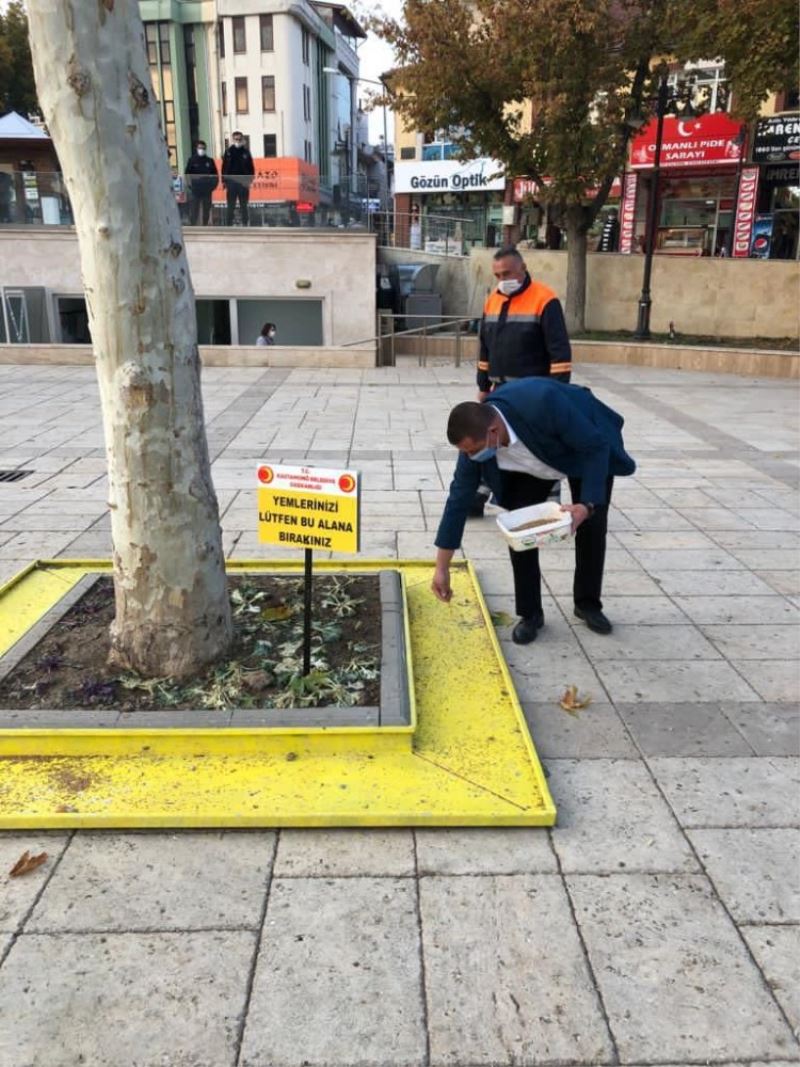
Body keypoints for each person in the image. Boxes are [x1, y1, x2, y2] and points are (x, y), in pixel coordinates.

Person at [431, 379, 636, 644]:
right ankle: (530, 614)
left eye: (473, 450)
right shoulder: (476, 442)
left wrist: (585, 505)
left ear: (493, 432)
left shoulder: (543, 403)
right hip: (532, 463)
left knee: (591, 525)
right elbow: (458, 501)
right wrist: (442, 567)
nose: (470, 457)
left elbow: (595, 447)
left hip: (584, 450)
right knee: (520, 532)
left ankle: (588, 604)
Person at [470, 245, 572, 518]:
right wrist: (483, 385)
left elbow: (560, 353)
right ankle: (480, 494)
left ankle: (549, 503)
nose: (503, 279)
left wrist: (556, 393)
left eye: (507, 273)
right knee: (492, 444)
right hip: (500, 391)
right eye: (498, 275)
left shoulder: (545, 299)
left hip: (534, 394)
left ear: (523, 268)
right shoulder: (493, 299)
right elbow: (485, 347)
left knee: (539, 448)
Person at [222, 132, 255, 226]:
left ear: (242, 139)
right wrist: (224, 181)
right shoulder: (228, 152)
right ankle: (228, 224)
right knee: (230, 205)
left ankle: (245, 223)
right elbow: (224, 167)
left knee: (244, 205)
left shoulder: (246, 152)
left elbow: (251, 168)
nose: (237, 141)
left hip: (243, 183)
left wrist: (249, 181)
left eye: (239, 139)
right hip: (231, 182)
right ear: (232, 140)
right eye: (236, 139)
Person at [184, 141, 219, 225]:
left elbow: (215, 176)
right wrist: (190, 185)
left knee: (206, 209)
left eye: (203, 148)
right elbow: (187, 174)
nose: (201, 150)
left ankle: (205, 225)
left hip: (206, 190)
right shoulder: (192, 160)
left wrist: (212, 187)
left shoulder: (209, 161)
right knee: (194, 209)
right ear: (197, 149)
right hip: (195, 189)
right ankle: (193, 225)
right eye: (200, 148)